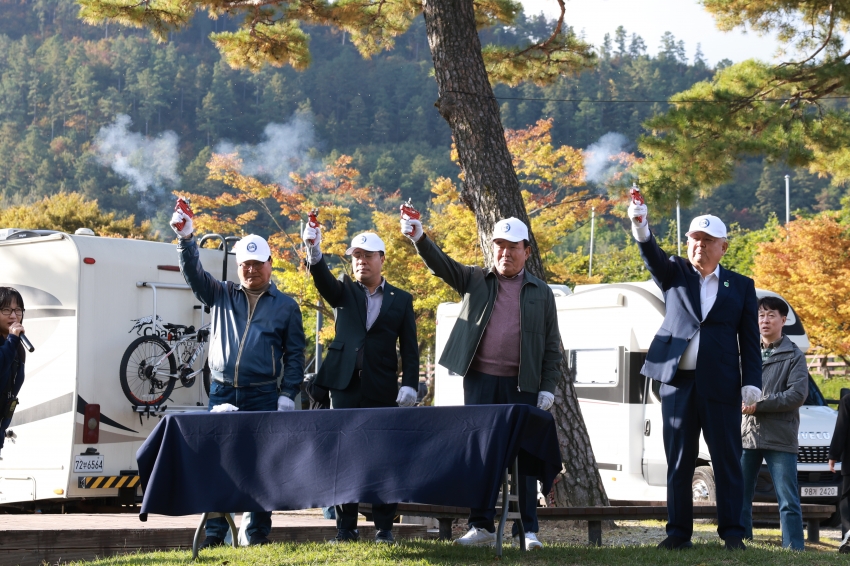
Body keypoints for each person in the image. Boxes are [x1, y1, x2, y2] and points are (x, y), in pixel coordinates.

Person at [401, 215, 561, 551]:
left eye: (512, 247)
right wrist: (420, 238)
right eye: (499, 246)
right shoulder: (475, 279)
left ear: (526, 251)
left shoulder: (542, 293)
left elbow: (551, 344)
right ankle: (482, 526)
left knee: (525, 457)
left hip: (523, 385)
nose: (505, 253)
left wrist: (548, 386)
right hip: (480, 381)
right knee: (481, 456)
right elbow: (442, 265)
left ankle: (527, 531)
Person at [628, 200, 762, 551]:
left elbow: (749, 340)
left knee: (727, 460)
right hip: (677, 384)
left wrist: (752, 381)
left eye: (707, 240)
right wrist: (640, 224)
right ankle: (677, 534)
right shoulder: (674, 271)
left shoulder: (741, 286)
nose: (699, 245)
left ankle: (733, 533)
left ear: (723, 247)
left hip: (721, 386)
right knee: (679, 462)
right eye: (694, 239)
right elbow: (650, 253)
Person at [171, 208, 306, 549]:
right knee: (220, 464)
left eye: (258, 263)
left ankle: (257, 532)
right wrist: (186, 239)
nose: (251, 269)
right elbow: (193, 274)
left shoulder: (286, 307)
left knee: (262, 465)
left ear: (270, 265)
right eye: (245, 263)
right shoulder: (221, 294)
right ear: (237, 266)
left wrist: (288, 393)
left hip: (263, 395)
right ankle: (216, 534)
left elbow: (295, 356)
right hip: (221, 393)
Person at [301, 225, 419, 544]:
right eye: (356, 256)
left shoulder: (401, 300)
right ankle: (345, 527)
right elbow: (324, 282)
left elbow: (410, 347)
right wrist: (315, 252)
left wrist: (410, 384)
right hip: (345, 387)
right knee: (344, 457)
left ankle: (384, 527)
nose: (361, 262)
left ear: (382, 259)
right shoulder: (344, 291)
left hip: (382, 388)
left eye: (368, 256)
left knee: (383, 457)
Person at [740, 296, 807, 550]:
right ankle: (742, 543)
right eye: (760, 315)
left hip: (780, 436)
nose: (764, 320)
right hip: (748, 434)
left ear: (783, 320)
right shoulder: (747, 351)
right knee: (741, 495)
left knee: (788, 499)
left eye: (770, 315)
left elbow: (796, 395)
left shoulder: (794, 356)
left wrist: (760, 404)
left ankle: (794, 548)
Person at [0, 287, 26, 457]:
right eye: (6, 309)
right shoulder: (12, 343)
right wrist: (11, 341)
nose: (13, 315)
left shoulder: (17, 347)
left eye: (18, 310)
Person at [830, 387, 850, 552]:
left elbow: (841, 430)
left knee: (847, 500)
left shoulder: (847, 401)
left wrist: (833, 455)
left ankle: (848, 539)